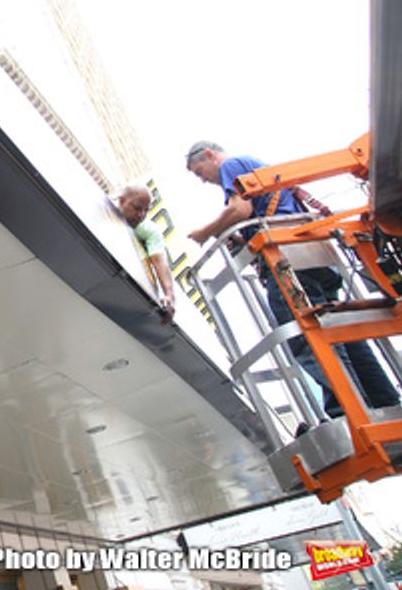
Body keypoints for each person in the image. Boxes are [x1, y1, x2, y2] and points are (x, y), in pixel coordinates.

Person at [184, 140, 399, 418]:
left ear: (210, 155)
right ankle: (385, 402)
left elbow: (240, 210)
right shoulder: (257, 166)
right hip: (316, 255)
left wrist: (206, 231)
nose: (203, 180)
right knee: (344, 333)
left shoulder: (231, 166)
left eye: (199, 171)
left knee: (306, 334)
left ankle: (348, 410)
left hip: (288, 259)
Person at [117, 184, 175, 320]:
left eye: (146, 210)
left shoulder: (148, 229)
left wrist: (168, 295)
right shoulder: (105, 210)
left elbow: (159, 262)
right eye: (137, 208)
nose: (141, 215)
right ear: (121, 200)